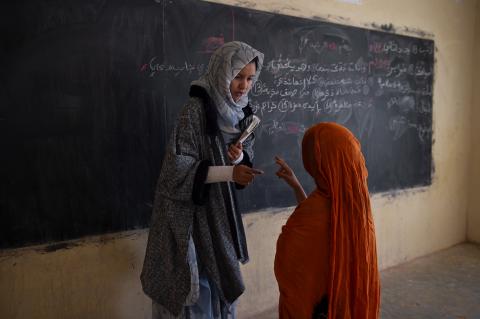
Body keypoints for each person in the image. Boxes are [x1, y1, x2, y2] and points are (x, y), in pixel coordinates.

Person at [141, 41, 264, 318]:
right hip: (190, 218)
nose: (243, 86)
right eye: (237, 76)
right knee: (197, 290)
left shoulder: (243, 114)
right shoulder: (194, 110)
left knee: (221, 283)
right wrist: (229, 171)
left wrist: (236, 159)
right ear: (222, 72)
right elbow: (176, 171)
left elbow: (242, 163)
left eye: (249, 78)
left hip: (219, 217)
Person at [274, 122, 380, 319]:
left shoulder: (313, 213)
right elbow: (326, 227)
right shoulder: (357, 202)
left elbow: (291, 270)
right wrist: (297, 186)